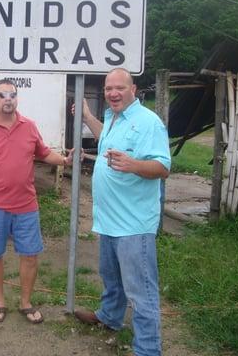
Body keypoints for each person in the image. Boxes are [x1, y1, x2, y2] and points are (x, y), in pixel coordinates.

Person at [0, 78, 78, 324]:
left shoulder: (29, 126)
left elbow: (43, 152)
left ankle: (25, 303)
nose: (8, 99)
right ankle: (0, 301)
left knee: (31, 255)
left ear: (17, 99)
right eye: (2, 95)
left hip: (26, 206)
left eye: (12, 95)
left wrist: (64, 161)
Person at [73, 68, 171, 356]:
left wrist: (133, 165)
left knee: (141, 292)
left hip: (134, 225)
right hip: (110, 220)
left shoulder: (148, 122)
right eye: (108, 89)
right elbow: (107, 142)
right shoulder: (114, 118)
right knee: (111, 279)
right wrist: (89, 117)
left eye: (119, 88)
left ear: (134, 89)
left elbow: (163, 168)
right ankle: (109, 317)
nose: (113, 93)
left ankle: (148, 349)